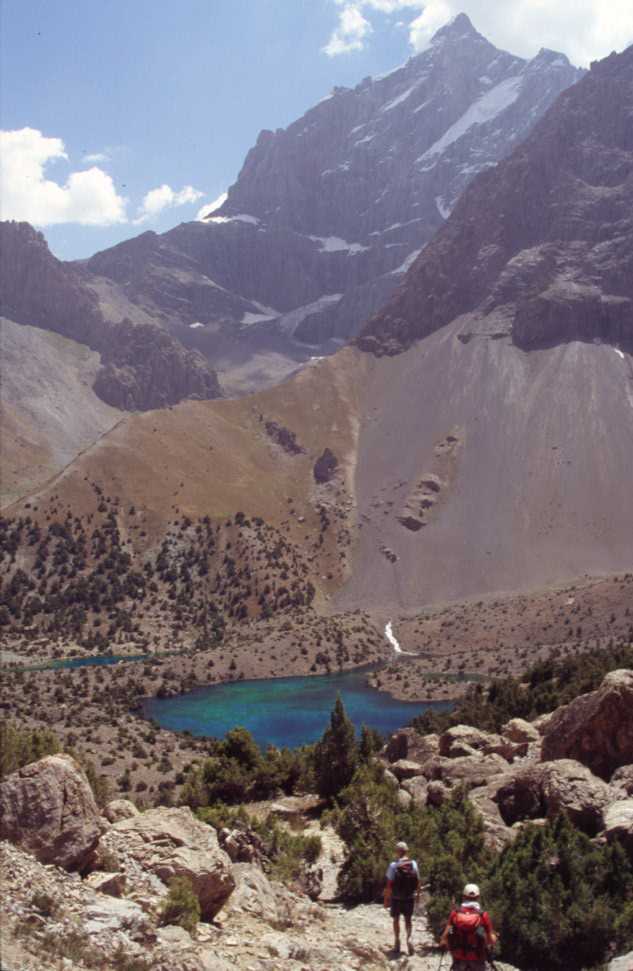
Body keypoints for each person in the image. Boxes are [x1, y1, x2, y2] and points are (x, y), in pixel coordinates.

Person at [439, 883, 498, 970]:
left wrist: (450, 947)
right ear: (478, 897)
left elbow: (445, 937)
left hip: (459, 958)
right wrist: (494, 937)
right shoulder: (483, 915)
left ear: (463, 897)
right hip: (477, 958)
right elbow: (491, 941)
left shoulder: (455, 913)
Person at [383, 840, 420, 955]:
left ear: (397, 852)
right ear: (406, 851)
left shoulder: (393, 865)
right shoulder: (413, 864)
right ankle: (409, 939)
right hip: (409, 897)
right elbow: (418, 881)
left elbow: (389, 884)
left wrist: (386, 899)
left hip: (396, 897)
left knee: (396, 919)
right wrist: (417, 895)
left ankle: (397, 941)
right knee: (408, 919)